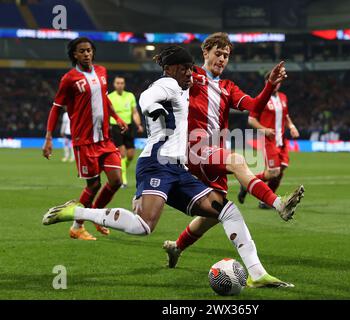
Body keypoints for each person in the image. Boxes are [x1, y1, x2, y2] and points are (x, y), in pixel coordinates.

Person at [42, 45, 293, 288]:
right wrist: (155, 108)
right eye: (184, 69)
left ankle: (257, 274)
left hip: (179, 169)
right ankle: (78, 212)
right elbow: (147, 97)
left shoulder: (187, 86)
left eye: (190, 69)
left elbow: (238, 100)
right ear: (171, 69)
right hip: (156, 164)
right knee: (144, 227)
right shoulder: (168, 83)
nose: (189, 74)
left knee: (226, 211)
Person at [163, 32, 304, 269]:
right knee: (238, 160)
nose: (222, 59)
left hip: (214, 150)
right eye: (218, 53)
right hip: (194, 149)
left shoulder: (228, 87)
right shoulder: (192, 76)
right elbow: (170, 78)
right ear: (205, 52)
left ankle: (177, 247)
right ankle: (278, 204)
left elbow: (254, 106)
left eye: (226, 56)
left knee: (213, 213)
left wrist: (269, 84)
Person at [42, 37, 128, 240]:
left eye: (89, 50)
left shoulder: (102, 72)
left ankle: (96, 217)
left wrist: (116, 117)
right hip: (85, 140)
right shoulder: (69, 79)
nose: (87, 54)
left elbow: (104, 99)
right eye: (82, 51)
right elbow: (56, 108)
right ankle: (77, 227)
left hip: (105, 139)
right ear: (75, 54)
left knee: (116, 181)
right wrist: (48, 138)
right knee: (94, 185)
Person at [238, 71, 300, 208]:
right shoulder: (262, 99)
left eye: (279, 81)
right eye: (273, 81)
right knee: (273, 172)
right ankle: (246, 183)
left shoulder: (283, 97)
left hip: (282, 140)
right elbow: (251, 120)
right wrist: (264, 130)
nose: (276, 84)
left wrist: (292, 126)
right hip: (268, 140)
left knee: (280, 170)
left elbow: (286, 115)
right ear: (267, 82)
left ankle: (265, 201)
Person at [108, 76, 144, 188]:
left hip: (129, 126)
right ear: (114, 84)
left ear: (124, 84)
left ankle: (121, 170)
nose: (120, 85)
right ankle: (123, 180)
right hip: (115, 126)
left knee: (130, 155)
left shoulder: (130, 96)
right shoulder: (110, 97)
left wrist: (138, 124)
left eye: (122, 83)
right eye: (117, 83)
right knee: (122, 153)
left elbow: (135, 112)